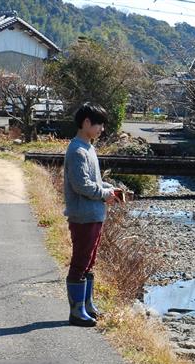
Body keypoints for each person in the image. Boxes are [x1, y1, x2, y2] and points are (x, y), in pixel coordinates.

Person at [63, 103, 120, 327]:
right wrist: (105, 193)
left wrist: (109, 188)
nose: (102, 129)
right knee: (80, 263)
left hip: (94, 214)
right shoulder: (77, 150)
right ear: (86, 123)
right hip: (83, 216)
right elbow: (82, 186)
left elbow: (93, 182)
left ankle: (87, 306)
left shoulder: (88, 147)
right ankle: (76, 312)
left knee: (89, 262)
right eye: (99, 124)